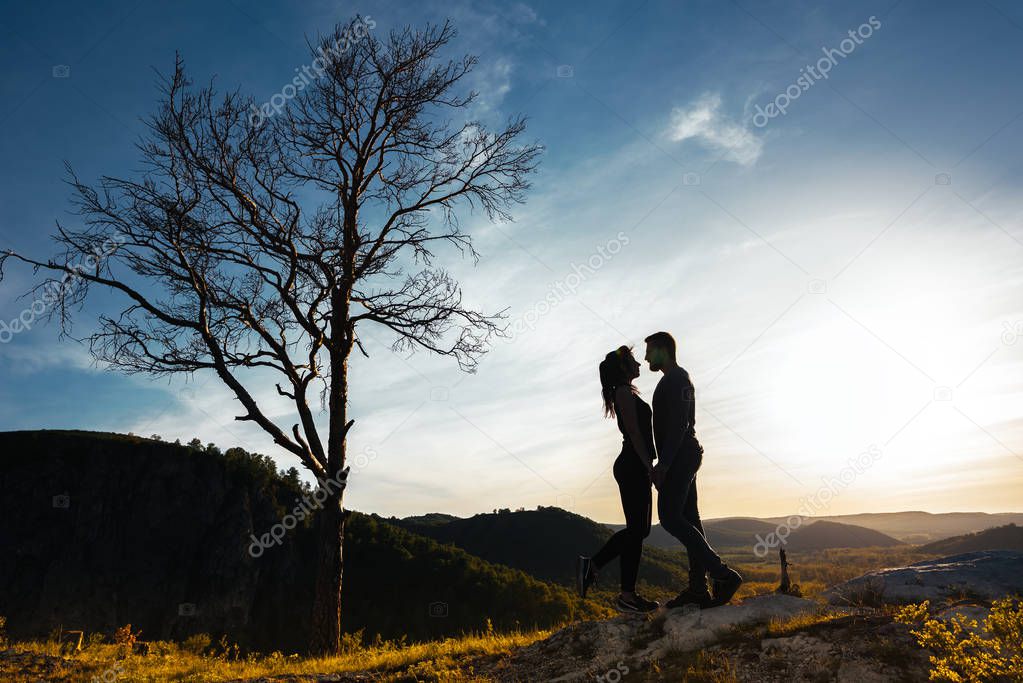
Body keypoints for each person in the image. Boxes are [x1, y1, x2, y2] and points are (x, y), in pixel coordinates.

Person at [645, 331, 743, 608]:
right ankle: (698, 588)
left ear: (664, 350)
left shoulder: (676, 379)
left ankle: (723, 574)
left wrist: (664, 464)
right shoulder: (676, 378)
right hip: (686, 455)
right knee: (690, 519)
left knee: (669, 517)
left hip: (680, 457)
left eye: (650, 350)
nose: (646, 357)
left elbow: (679, 425)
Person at [576, 345, 660, 613]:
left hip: (635, 465)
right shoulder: (623, 392)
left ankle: (622, 591)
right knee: (637, 530)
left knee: (640, 531)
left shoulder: (626, 392)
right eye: (633, 360)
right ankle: (616, 585)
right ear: (623, 368)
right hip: (632, 465)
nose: (638, 363)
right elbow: (634, 433)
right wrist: (650, 466)